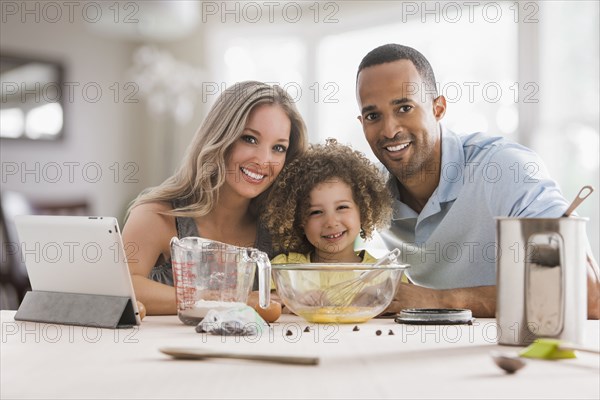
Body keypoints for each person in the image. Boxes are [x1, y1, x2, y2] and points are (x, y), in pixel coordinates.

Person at [355, 43, 599, 318]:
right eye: (373, 116)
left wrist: (435, 300)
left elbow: (587, 294)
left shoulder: (505, 169)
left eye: (404, 108)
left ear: (438, 109)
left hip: (530, 352)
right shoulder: (370, 194)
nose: (389, 130)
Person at [123, 81, 308, 315]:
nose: (263, 160)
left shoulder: (281, 226)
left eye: (278, 148)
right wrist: (228, 299)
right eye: (249, 139)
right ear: (221, 136)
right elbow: (120, 288)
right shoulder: (157, 215)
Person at [263, 139, 392, 264]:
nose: (330, 222)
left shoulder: (385, 273)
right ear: (298, 220)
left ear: (363, 211)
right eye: (316, 212)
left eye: (342, 207)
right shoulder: (285, 269)